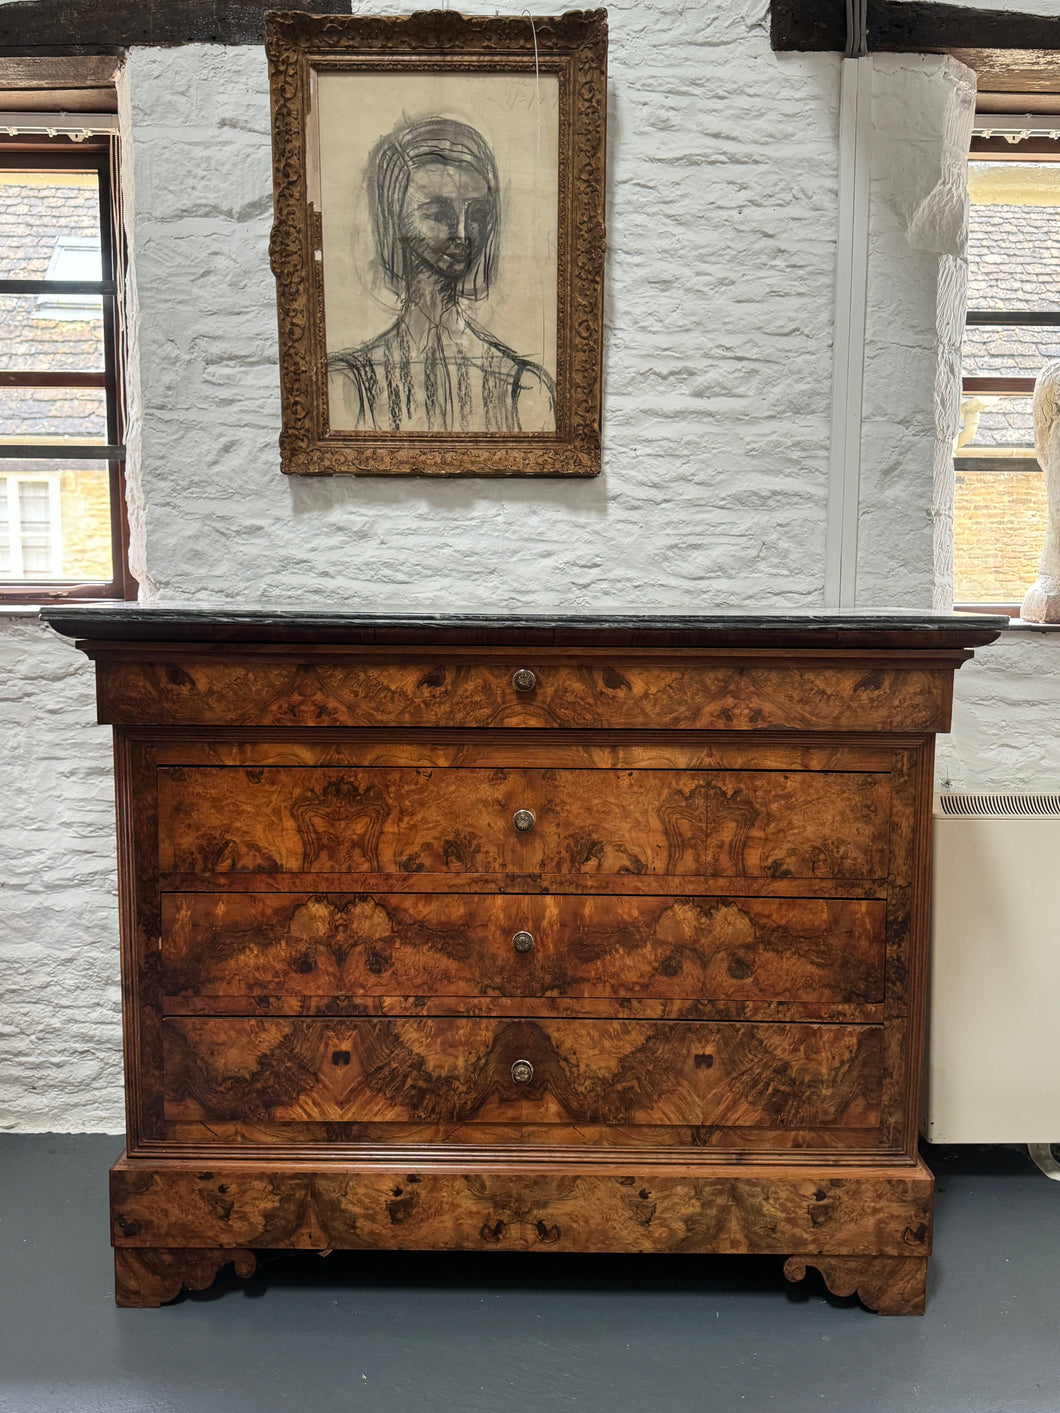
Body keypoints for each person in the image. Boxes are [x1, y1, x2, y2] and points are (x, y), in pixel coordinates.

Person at [327, 116, 555, 434]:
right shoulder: (346, 382)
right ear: (395, 218)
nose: (462, 234)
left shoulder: (524, 386)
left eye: (476, 214)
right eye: (437, 214)